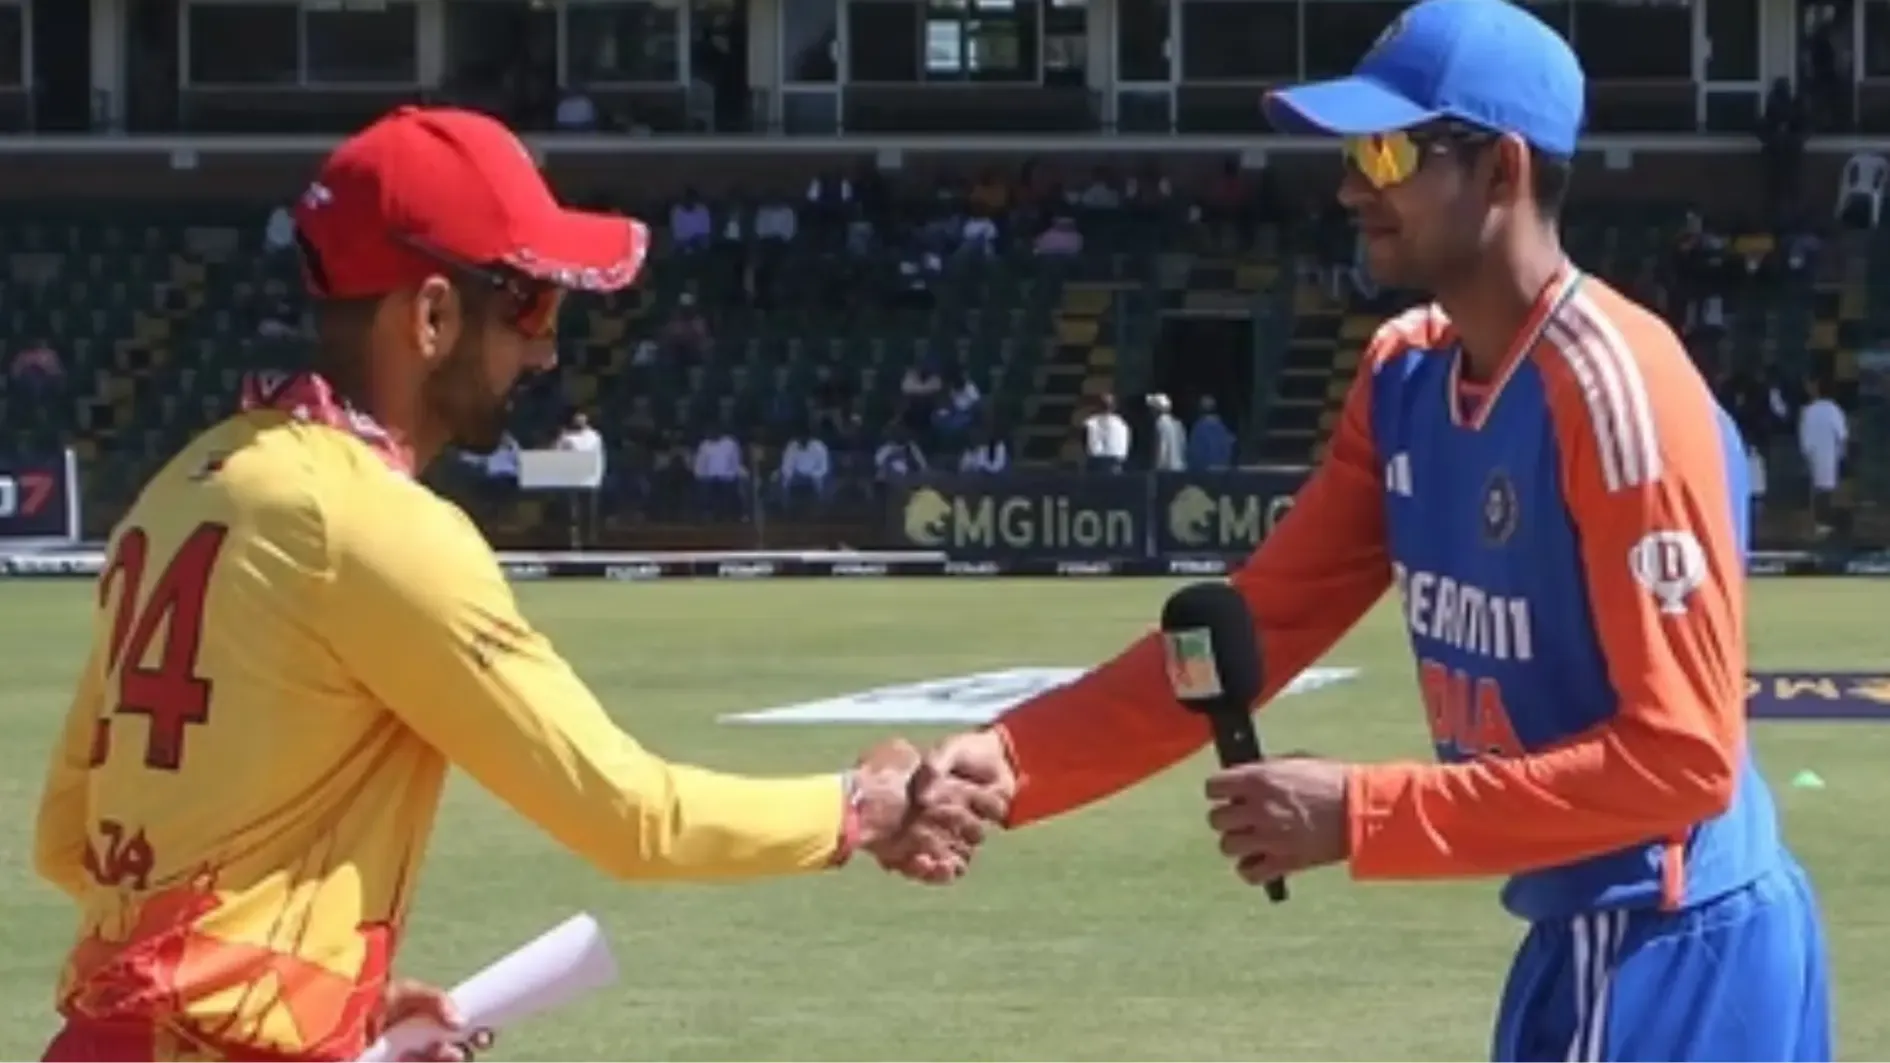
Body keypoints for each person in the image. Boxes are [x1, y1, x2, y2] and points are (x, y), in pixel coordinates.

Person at [901, 2, 1833, 1060]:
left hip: (1672, 941)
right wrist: (1015, 757)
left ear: (1501, 169)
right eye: (1351, 153)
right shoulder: (1404, 375)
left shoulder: (1616, 391)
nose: (1351, 186)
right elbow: (1258, 624)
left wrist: (1360, 812)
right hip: (1590, 930)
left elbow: (1683, 763)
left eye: (1386, 151)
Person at [31, 106, 992, 1063]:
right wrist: (859, 808)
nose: (547, 348)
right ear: (432, 316)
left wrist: (324, 991)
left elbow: (69, 837)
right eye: (530, 305)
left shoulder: (181, 488)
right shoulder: (376, 524)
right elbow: (631, 817)